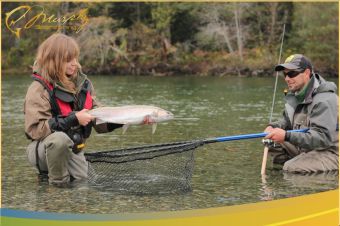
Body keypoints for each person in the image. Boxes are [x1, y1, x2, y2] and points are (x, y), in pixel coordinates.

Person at [24, 33, 121, 186]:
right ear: (53, 61)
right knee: (59, 140)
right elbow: (37, 130)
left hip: (74, 149)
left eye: (75, 58)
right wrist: (74, 118)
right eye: (68, 60)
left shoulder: (84, 84)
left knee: (82, 184)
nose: (74, 63)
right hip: (43, 150)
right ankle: (57, 185)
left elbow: (99, 122)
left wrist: (123, 120)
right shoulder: (38, 89)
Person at [264, 54, 338, 173]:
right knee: (271, 141)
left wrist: (286, 136)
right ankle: (290, 170)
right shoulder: (296, 96)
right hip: (307, 148)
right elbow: (287, 121)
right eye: (285, 74)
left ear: (307, 73)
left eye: (292, 74)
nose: (287, 78)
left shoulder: (324, 100)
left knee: (291, 168)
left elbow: (323, 138)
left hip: (331, 152)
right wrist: (273, 127)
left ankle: (295, 170)